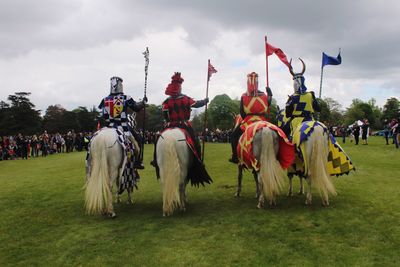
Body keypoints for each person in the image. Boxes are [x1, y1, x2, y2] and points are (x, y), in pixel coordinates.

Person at [151, 72, 208, 167]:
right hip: (184, 125)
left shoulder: (166, 101)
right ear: (178, 87)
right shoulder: (186, 99)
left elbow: (165, 115)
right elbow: (197, 104)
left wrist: (168, 121)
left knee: (158, 139)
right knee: (195, 140)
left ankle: (155, 160)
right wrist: (205, 101)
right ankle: (198, 160)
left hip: (170, 125)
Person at [98, 76, 147, 169]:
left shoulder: (104, 100)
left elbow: (104, 115)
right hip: (123, 127)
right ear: (120, 85)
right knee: (138, 140)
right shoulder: (125, 97)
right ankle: (138, 162)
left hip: (108, 127)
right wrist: (143, 102)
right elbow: (136, 108)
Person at [229, 72, 272, 163]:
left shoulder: (244, 96)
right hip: (262, 120)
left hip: (248, 121)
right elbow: (268, 105)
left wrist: (247, 117)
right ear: (257, 83)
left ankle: (235, 157)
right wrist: (270, 94)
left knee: (233, 136)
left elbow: (242, 112)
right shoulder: (264, 95)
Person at [283, 59, 321, 138]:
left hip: (296, 121)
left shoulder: (292, 97)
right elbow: (318, 109)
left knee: (283, 133)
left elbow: (287, 114)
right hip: (310, 119)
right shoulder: (311, 95)